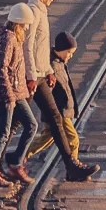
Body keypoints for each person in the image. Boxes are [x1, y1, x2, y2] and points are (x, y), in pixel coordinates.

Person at [6, 0, 101, 184]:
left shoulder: (41, 11)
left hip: (40, 74)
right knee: (16, 122)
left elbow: (41, 50)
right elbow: (28, 48)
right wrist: (32, 76)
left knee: (52, 120)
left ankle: (69, 166)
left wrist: (49, 71)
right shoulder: (33, 11)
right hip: (32, 76)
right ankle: (3, 162)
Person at [0, 3, 37, 189]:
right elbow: (1, 68)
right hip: (8, 94)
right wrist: (9, 96)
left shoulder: (14, 38)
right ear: (19, 23)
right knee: (3, 132)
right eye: (26, 25)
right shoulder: (8, 38)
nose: (27, 28)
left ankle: (15, 163)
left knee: (31, 125)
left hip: (17, 92)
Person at [26, 30, 82, 165]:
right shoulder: (51, 65)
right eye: (69, 52)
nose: (71, 56)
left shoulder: (59, 63)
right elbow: (47, 91)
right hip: (59, 111)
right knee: (73, 139)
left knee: (48, 137)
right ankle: (74, 165)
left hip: (62, 109)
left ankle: (22, 155)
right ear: (61, 49)